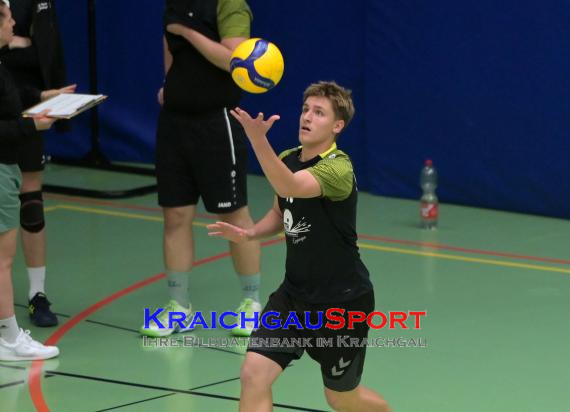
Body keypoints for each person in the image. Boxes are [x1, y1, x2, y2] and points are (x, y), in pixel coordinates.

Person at [207, 82, 392, 411]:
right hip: (293, 297)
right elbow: (282, 210)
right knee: (253, 374)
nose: (307, 117)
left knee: (341, 398)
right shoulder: (288, 158)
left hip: (343, 304)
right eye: (306, 109)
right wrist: (249, 234)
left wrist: (256, 138)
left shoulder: (338, 168)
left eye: (319, 112)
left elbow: (290, 185)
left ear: (337, 126)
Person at [140, 0, 262, 338]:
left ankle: (252, 304)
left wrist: (188, 31)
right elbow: (171, 48)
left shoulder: (230, 4)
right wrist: (171, 83)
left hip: (216, 122)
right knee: (175, 216)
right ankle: (179, 306)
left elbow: (233, 60)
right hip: (175, 125)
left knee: (234, 217)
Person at [0, 0, 72, 327]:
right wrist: (15, 43)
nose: (12, 25)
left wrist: (19, 45)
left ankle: (36, 294)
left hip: (23, 104)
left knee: (30, 200)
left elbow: (41, 49)